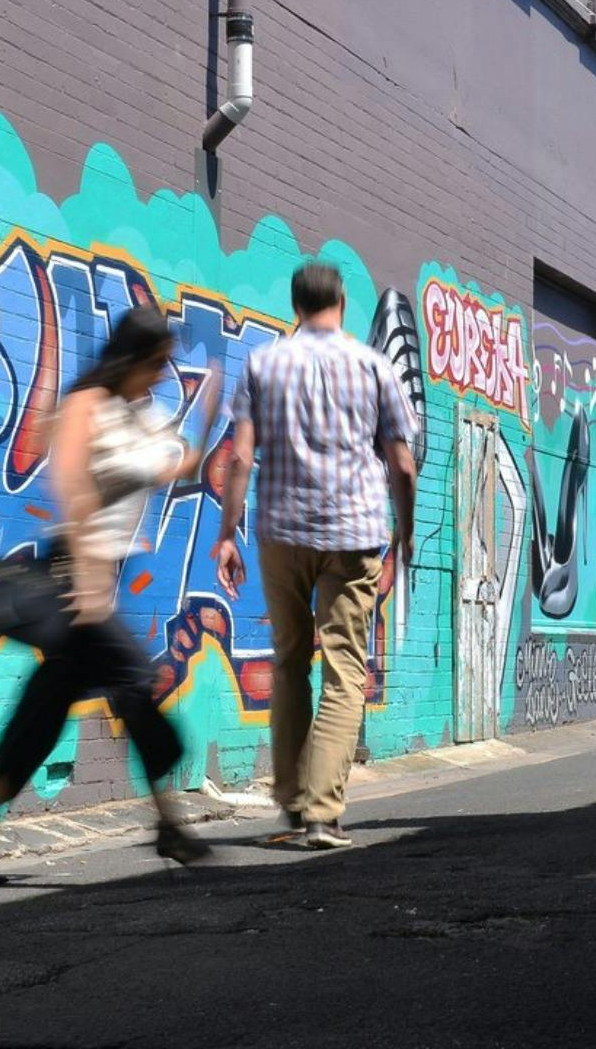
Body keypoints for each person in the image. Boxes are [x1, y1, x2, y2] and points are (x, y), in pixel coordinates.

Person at [0, 306, 221, 884]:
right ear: (132, 359)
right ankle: (168, 825)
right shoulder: (85, 406)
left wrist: (212, 425)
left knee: (45, 710)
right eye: (158, 365)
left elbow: (171, 467)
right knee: (136, 683)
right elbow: (71, 483)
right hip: (78, 574)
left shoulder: (137, 415)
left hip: (101, 574)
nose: (163, 376)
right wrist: (91, 575)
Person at [213, 263, 417, 851]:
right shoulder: (374, 367)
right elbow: (400, 463)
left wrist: (228, 533)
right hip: (353, 537)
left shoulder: (263, 363)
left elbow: (241, 458)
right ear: (344, 302)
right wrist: (403, 533)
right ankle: (324, 817)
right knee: (345, 672)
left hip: (281, 533)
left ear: (295, 304)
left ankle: (294, 802)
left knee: (289, 661)